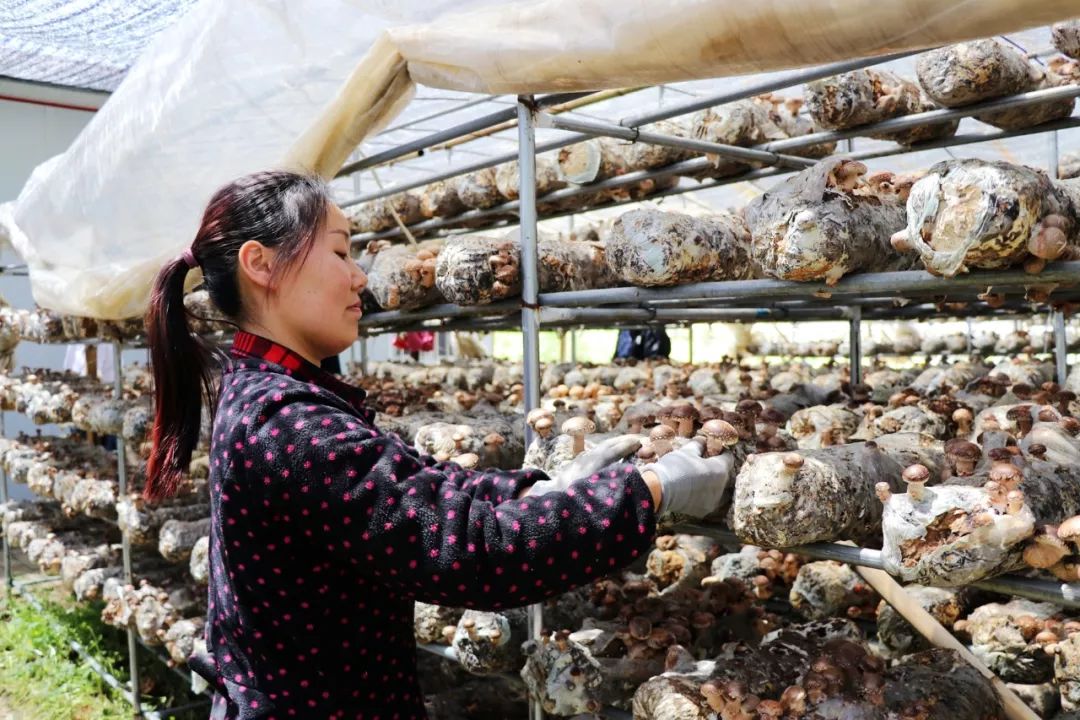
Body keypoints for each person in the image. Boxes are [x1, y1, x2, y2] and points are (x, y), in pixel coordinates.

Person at [144, 171, 732, 720]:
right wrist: (647, 490)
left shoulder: (275, 396)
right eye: (342, 251)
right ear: (261, 265)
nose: (359, 276)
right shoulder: (288, 423)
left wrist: (543, 487)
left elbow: (420, 488)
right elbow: (475, 555)